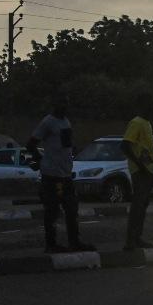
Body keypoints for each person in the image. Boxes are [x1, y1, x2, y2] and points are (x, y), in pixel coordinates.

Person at [27, 95, 93, 253]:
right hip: (52, 175)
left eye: (66, 103)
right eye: (61, 103)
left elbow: (65, 145)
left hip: (65, 174)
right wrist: (40, 160)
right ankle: (51, 244)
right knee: (52, 210)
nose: (64, 106)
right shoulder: (48, 122)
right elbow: (31, 144)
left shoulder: (66, 122)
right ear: (54, 104)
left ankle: (74, 241)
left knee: (71, 208)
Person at [121, 93, 153, 251]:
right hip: (140, 172)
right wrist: (141, 166)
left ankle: (137, 238)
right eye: (150, 104)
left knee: (142, 206)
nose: (152, 108)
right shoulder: (136, 123)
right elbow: (125, 146)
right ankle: (131, 241)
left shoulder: (147, 123)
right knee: (138, 206)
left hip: (148, 172)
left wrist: (152, 170)